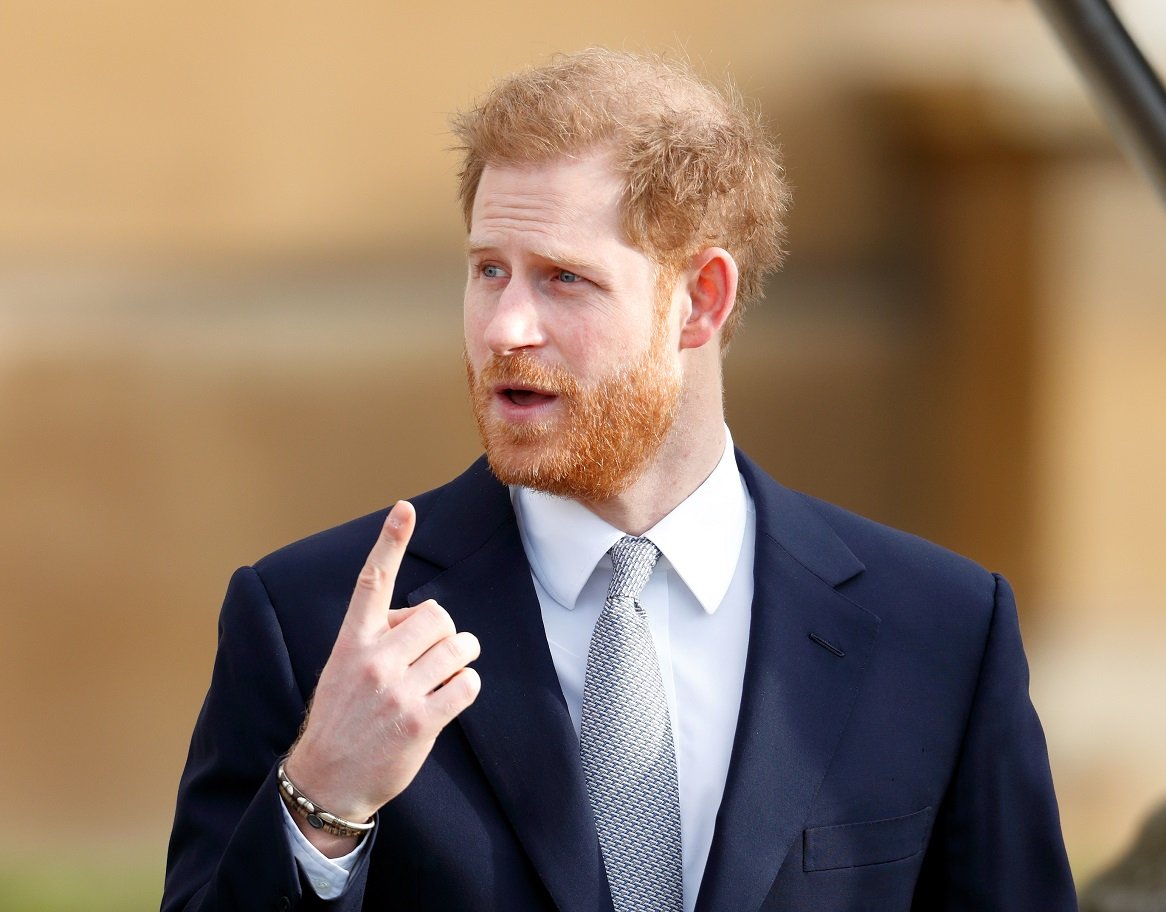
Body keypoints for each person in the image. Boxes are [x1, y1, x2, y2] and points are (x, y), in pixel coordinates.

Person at [162, 48, 1077, 912]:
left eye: (564, 279)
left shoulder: (943, 633)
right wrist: (322, 800)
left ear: (700, 301)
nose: (505, 328)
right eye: (489, 271)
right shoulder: (308, 622)